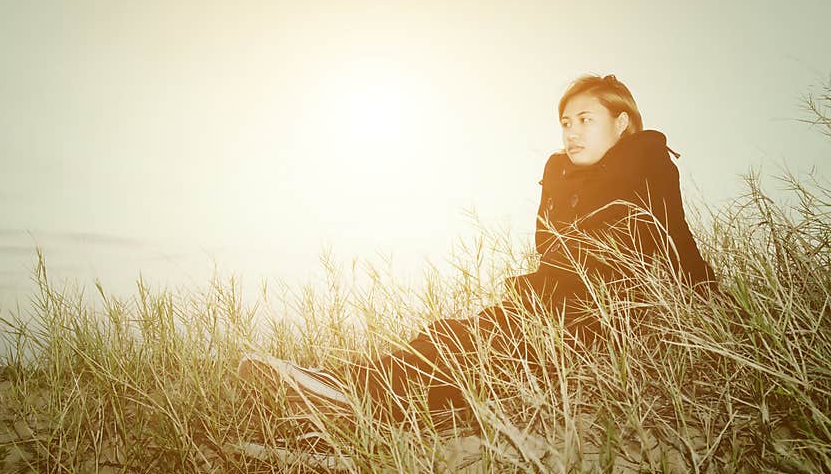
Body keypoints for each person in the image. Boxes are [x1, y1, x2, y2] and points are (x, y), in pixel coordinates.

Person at [238, 74, 718, 430]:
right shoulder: (565, 176)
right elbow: (551, 254)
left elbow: (675, 242)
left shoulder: (647, 161)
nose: (571, 132)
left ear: (622, 122)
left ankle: (350, 395)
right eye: (565, 122)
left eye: (585, 120)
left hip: (614, 319)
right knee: (456, 336)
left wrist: (707, 308)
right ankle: (347, 394)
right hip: (553, 308)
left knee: (477, 346)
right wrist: (558, 184)